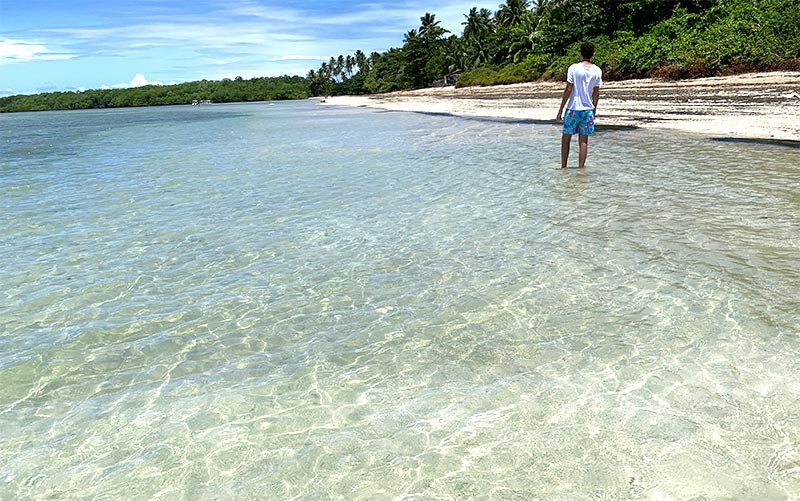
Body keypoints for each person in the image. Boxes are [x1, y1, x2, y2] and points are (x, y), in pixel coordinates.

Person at [557, 42, 603, 169]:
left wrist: (560, 110)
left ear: (580, 54)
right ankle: (581, 169)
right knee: (583, 141)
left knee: (566, 139)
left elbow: (568, 89)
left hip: (573, 109)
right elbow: (596, 93)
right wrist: (594, 110)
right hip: (587, 109)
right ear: (592, 54)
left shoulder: (573, 68)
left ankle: (564, 167)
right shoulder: (597, 70)